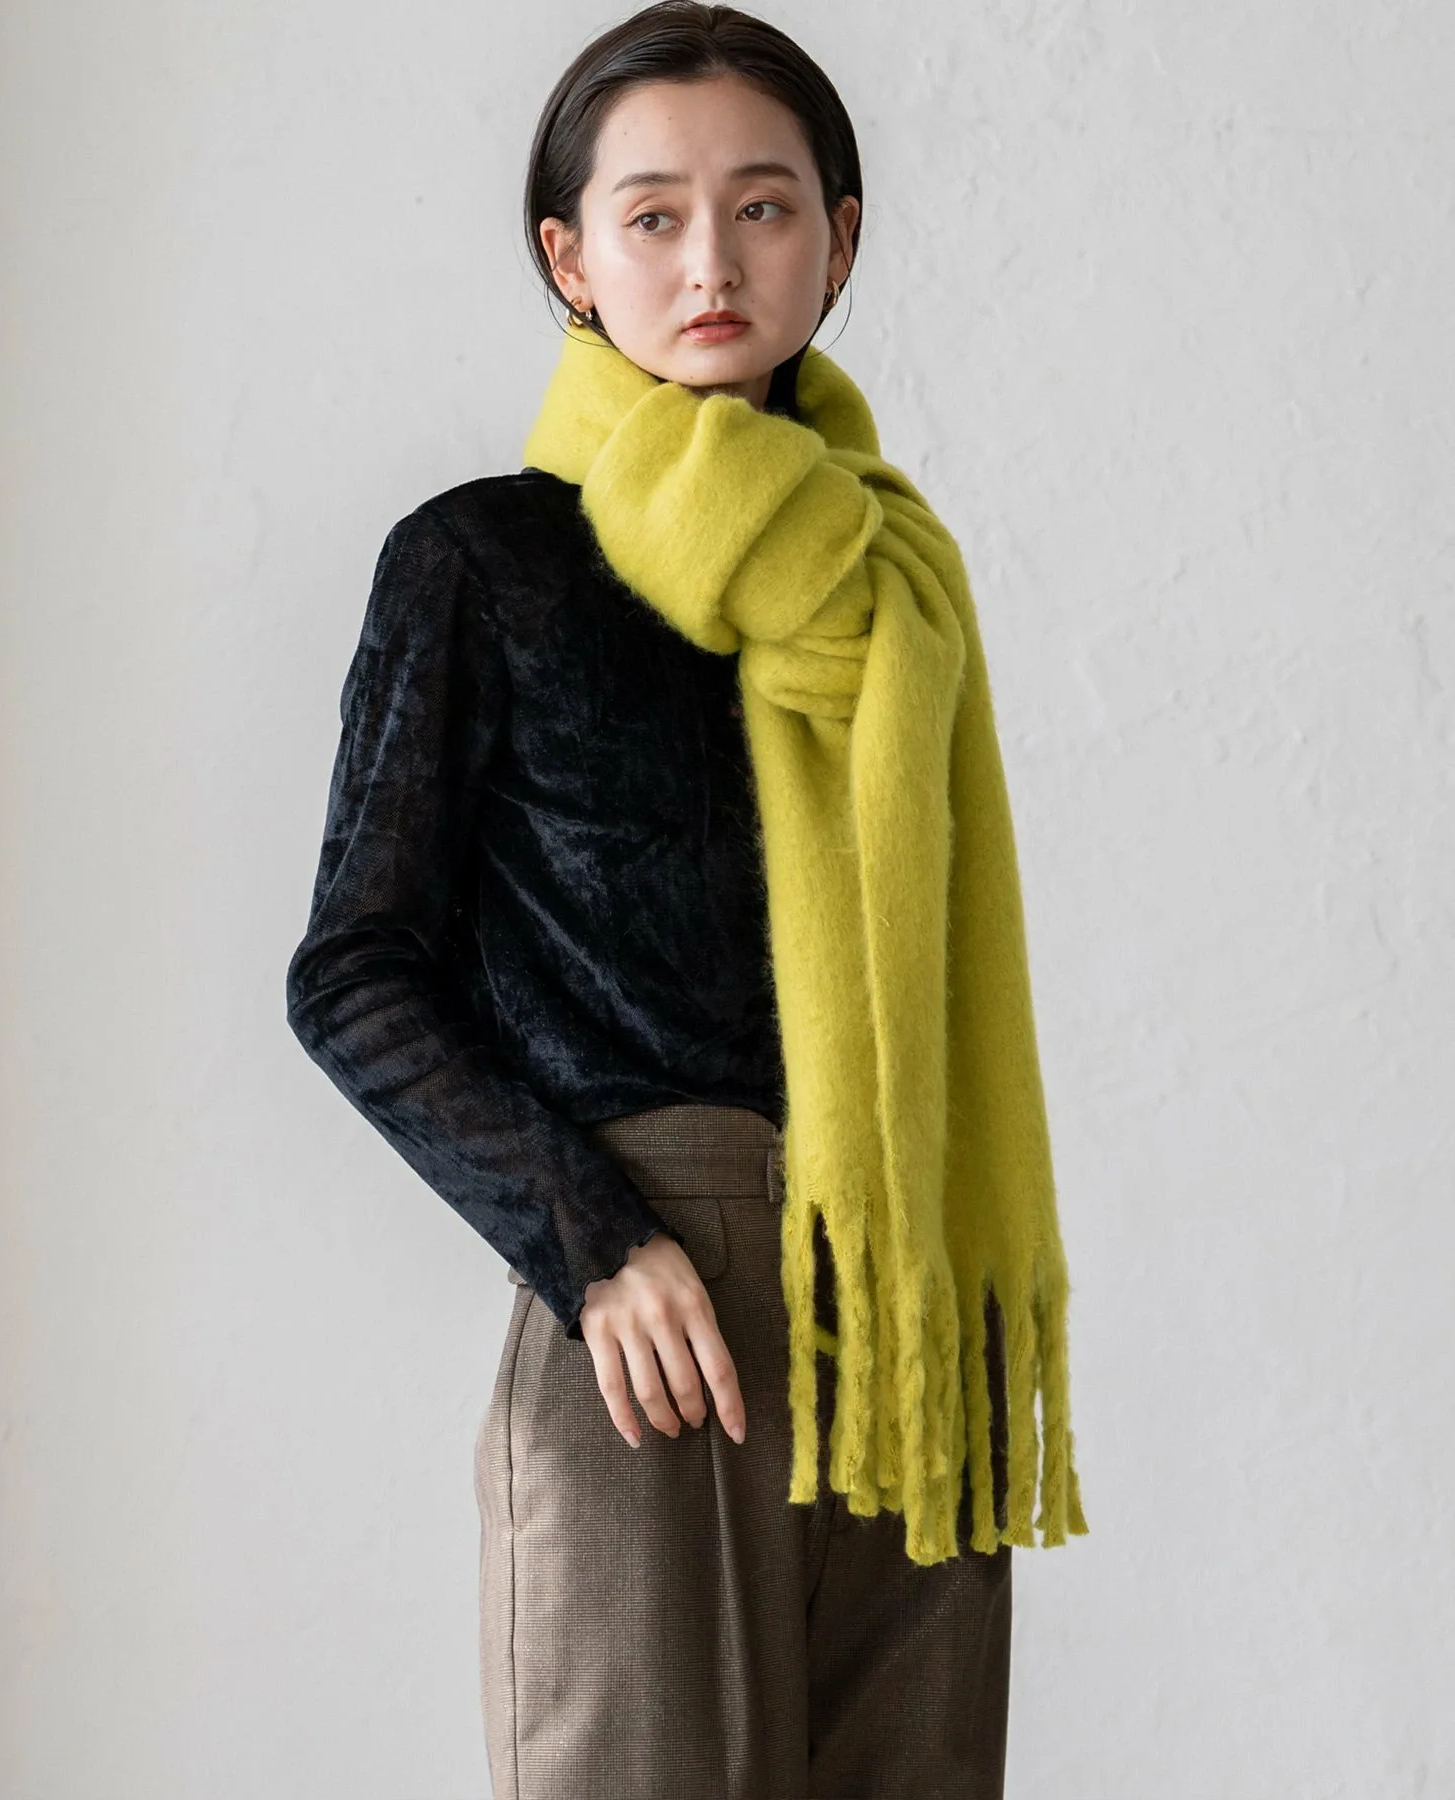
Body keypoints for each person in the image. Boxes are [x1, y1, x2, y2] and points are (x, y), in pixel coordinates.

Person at [286, 6, 1085, 1796]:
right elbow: (354, 972)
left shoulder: (894, 586)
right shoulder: (483, 560)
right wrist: (588, 1234)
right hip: (660, 1304)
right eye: (651, 215)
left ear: (840, 240)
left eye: (763, 206)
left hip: (906, 1305)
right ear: (569, 258)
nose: (711, 261)